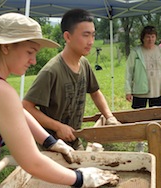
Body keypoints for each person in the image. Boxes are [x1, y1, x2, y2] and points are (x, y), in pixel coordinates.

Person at [0, 13, 119, 188]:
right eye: (30, 52)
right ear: (6, 47)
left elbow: (19, 111)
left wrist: (51, 142)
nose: (33, 61)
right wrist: (81, 178)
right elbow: (32, 162)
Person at [22, 9, 119, 151]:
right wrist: (58, 127)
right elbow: (26, 107)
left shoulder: (84, 64)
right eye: (86, 35)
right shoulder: (52, 71)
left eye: (93, 35)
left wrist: (109, 117)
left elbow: (95, 92)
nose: (91, 41)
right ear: (67, 37)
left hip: (74, 139)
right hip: (51, 144)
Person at [125, 26, 161, 151]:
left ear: (156, 38)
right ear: (143, 38)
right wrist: (128, 90)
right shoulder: (136, 52)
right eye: (147, 36)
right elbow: (129, 72)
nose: (150, 39)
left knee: (158, 118)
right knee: (138, 118)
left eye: (152, 36)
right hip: (140, 90)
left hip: (157, 91)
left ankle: (157, 142)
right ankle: (140, 143)